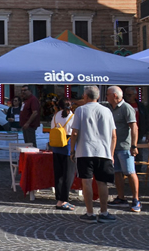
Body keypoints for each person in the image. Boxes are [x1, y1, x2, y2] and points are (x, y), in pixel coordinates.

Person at [69, 86, 117, 223]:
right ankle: (104, 212)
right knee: (103, 183)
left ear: (85, 96)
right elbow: (114, 135)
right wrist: (111, 153)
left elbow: (75, 133)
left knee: (87, 183)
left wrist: (72, 150)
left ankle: (90, 213)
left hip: (85, 151)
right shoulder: (107, 111)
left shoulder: (80, 110)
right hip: (103, 152)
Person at [103, 86, 141, 212]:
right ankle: (121, 197)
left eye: (108, 94)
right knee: (117, 172)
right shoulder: (108, 107)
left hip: (125, 146)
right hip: (114, 146)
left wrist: (134, 145)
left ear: (115, 96)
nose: (106, 97)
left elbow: (134, 127)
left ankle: (136, 199)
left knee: (130, 172)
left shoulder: (126, 108)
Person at [50, 98, 76, 211]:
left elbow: (52, 128)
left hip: (56, 147)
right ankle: (64, 200)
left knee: (58, 174)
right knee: (68, 175)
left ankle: (59, 199)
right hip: (68, 147)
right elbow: (75, 132)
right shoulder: (73, 117)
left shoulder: (55, 116)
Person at [124, 87, 149, 172]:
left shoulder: (140, 106)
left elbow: (146, 119)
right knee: (125, 152)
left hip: (139, 133)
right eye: (126, 95)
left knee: (138, 152)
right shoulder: (123, 105)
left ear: (135, 95)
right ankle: (127, 170)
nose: (128, 97)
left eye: (130, 95)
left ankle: (138, 171)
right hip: (125, 134)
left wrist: (148, 133)